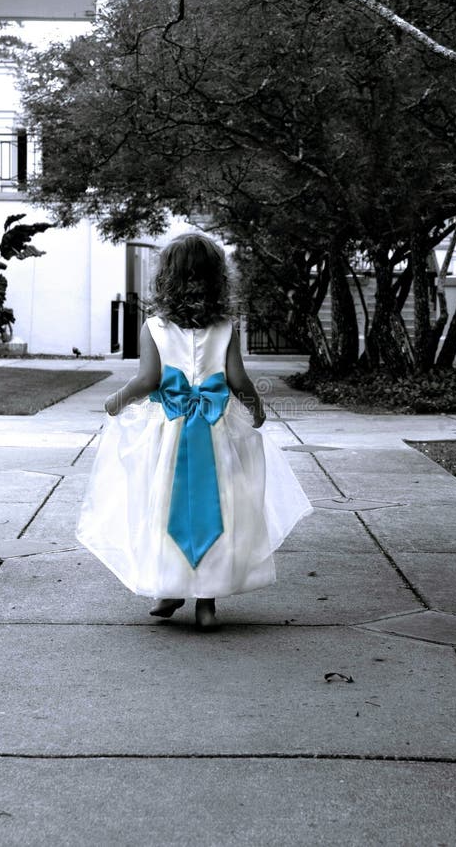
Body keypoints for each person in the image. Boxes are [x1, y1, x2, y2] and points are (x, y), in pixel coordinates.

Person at [76, 233, 312, 629]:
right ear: (216, 279)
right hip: (217, 431)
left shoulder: (154, 326)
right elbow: (237, 378)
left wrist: (116, 400)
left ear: (167, 278)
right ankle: (206, 604)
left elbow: (148, 380)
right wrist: (256, 409)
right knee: (218, 504)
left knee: (165, 504)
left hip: (168, 433)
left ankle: (169, 589)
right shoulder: (226, 327)